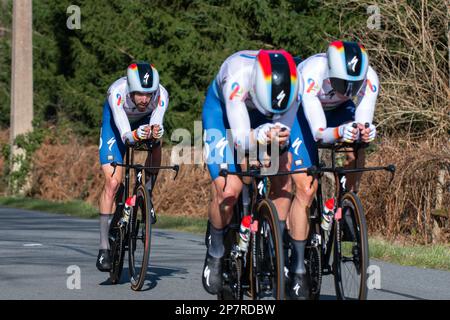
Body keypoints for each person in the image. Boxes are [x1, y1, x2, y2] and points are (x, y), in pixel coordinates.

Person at [201, 49, 300, 295]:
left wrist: (275, 142)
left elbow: (283, 139)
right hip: (223, 116)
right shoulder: (237, 76)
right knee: (229, 191)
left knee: (283, 180)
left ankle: (273, 243)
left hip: (265, 117)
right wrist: (260, 136)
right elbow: (242, 141)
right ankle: (215, 252)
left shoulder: (294, 85)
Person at [287, 41, 379, 299]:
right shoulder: (311, 73)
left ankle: (347, 203)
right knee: (306, 188)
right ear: (330, 72)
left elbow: (363, 119)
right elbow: (318, 134)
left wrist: (365, 131)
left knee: (356, 144)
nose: (348, 89)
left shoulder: (369, 77)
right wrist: (338, 132)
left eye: (354, 84)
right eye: (342, 82)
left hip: (338, 111)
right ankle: (297, 267)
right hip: (304, 116)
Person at [96, 61, 168, 272]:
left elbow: (157, 121)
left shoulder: (161, 94)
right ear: (129, 88)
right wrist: (133, 135)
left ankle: (146, 193)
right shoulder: (116, 92)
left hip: (143, 122)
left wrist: (155, 131)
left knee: (156, 142)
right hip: (116, 125)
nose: (145, 99)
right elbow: (125, 133)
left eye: (149, 94)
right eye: (139, 94)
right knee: (113, 183)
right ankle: (103, 247)